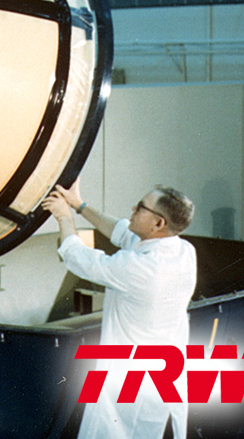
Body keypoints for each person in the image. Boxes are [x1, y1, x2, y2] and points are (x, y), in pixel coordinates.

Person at [41, 180, 197, 439]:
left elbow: (78, 257)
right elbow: (121, 231)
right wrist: (80, 205)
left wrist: (63, 217)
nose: (133, 208)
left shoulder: (144, 269)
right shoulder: (182, 250)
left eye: (141, 208)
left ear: (158, 223)